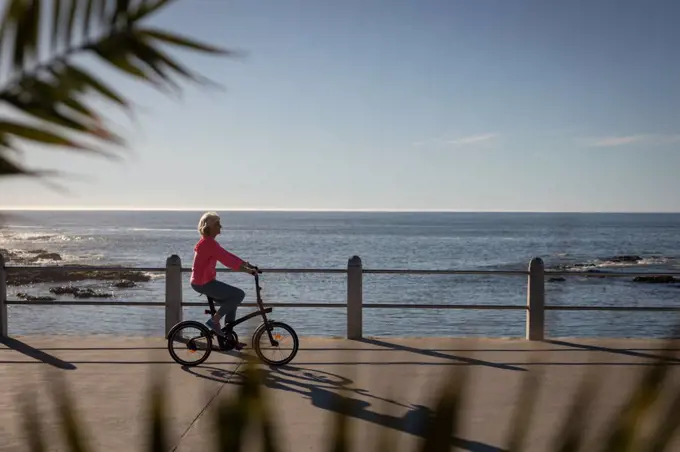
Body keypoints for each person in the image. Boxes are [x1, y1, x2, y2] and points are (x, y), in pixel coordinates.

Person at [190, 212, 258, 342]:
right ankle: (214, 321)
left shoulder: (208, 242)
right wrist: (248, 271)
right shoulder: (209, 244)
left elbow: (227, 255)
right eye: (218, 225)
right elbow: (228, 262)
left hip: (203, 282)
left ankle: (228, 335)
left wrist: (247, 264)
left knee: (232, 301)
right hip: (203, 283)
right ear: (210, 227)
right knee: (238, 295)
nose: (221, 227)